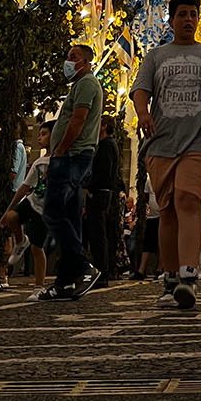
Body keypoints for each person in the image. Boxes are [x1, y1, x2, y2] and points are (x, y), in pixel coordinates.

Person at [131, 0, 201, 311]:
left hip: (199, 140)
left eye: (193, 14)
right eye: (182, 14)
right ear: (171, 20)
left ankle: (189, 275)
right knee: (167, 210)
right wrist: (143, 113)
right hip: (161, 142)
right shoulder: (156, 56)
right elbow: (141, 90)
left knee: (188, 198)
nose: (188, 20)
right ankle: (170, 279)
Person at [39, 42, 104, 301]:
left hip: (72, 155)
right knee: (70, 217)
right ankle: (65, 281)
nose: (68, 61)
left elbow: (78, 119)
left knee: (53, 211)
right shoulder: (80, 85)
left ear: (86, 62)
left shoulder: (87, 83)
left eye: (73, 57)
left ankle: (82, 265)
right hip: (73, 155)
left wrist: (60, 150)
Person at [1, 122, 52, 299]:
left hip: (44, 209)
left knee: (37, 248)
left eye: (44, 134)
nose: (39, 138)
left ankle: (39, 285)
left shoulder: (59, 161)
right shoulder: (39, 162)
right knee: (12, 216)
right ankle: (21, 241)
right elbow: (24, 187)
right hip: (32, 201)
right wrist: (8, 209)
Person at [86, 115, 120, 287]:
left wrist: (91, 189)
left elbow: (104, 171)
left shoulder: (106, 145)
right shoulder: (108, 145)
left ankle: (101, 272)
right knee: (96, 233)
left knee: (97, 234)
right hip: (102, 192)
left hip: (99, 193)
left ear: (104, 126)